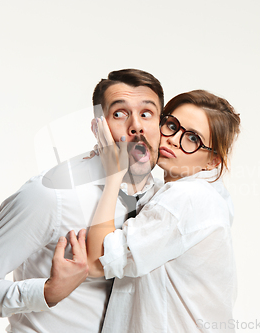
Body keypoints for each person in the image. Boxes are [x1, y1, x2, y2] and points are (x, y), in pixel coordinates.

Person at [0, 69, 164, 332]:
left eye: (147, 113)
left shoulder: (162, 201)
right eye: (119, 114)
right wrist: (47, 291)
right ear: (98, 127)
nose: (136, 126)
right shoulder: (52, 194)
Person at [87, 90, 241, 332]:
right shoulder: (205, 195)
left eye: (192, 138)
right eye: (172, 125)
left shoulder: (185, 198)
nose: (173, 139)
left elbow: (98, 260)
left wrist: (113, 175)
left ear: (213, 161)